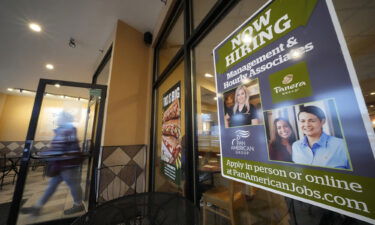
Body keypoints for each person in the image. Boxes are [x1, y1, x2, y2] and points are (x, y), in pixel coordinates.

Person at [21, 111, 85, 216]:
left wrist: (43, 153)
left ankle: (78, 205)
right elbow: (59, 147)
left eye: (59, 117)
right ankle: (37, 207)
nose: (57, 119)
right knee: (52, 186)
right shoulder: (63, 129)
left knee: (74, 185)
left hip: (68, 165)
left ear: (65, 119)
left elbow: (59, 148)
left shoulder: (67, 129)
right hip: (61, 164)